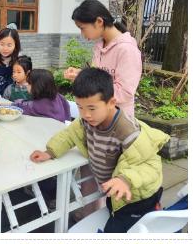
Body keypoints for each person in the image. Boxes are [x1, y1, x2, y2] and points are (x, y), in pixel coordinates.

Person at [30, 67, 168, 232]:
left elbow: (149, 166)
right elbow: (69, 134)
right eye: (80, 107)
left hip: (136, 197)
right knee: (114, 215)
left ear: (111, 103)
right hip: (114, 192)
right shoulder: (87, 121)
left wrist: (125, 180)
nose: (85, 114)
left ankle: (152, 212)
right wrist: (50, 152)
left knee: (117, 231)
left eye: (92, 108)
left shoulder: (128, 131)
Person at [63, 0, 142, 120]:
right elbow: (97, 76)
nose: (82, 34)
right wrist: (81, 74)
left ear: (99, 21)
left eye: (82, 28)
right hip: (96, 117)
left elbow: (124, 93)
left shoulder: (127, 50)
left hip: (117, 120)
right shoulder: (99, 46)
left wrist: (87, 82)